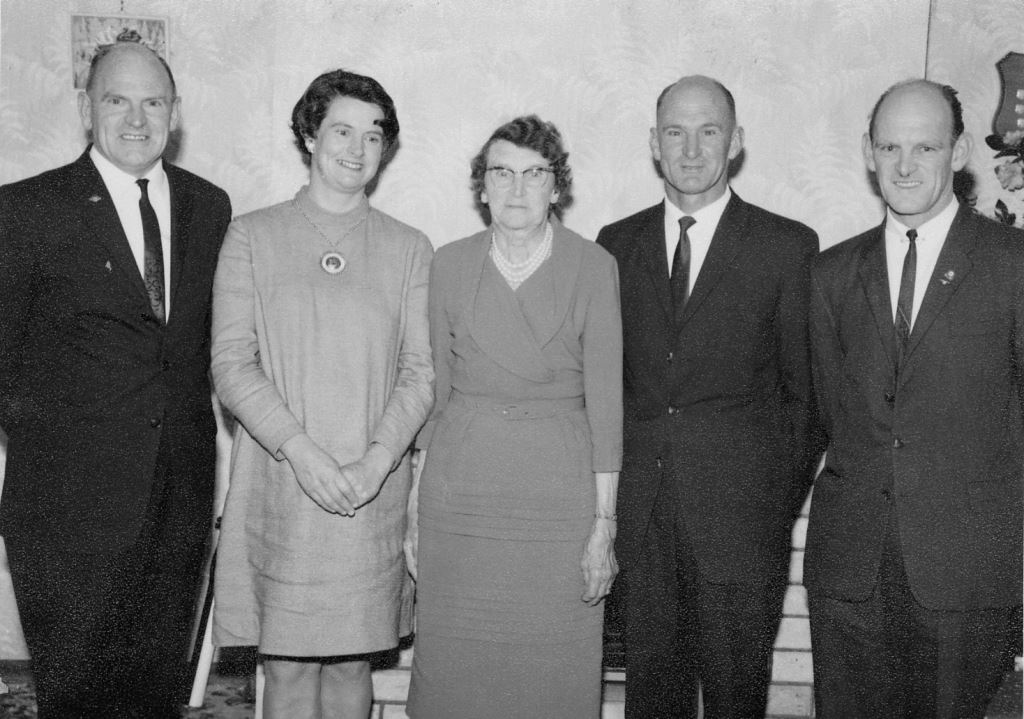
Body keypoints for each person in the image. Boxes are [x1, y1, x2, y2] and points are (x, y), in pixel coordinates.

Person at [0, 39, 231, 718]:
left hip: (179, 505)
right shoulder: (25, 211)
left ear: (175, 112)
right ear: (84, 107)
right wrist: (70, 448)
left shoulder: (208, 207)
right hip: (67, 515)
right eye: (117, 99)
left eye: (153, 101)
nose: (137, 118)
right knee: (79, 700)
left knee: (155, 696)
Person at [210, 69, 433, 719]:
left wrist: (374, 463)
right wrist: (301, 451)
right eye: (342, 130)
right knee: (285, 669)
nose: (357, 148)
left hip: (369, 495)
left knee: (348, 668)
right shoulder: (251, 236)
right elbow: (231, 364)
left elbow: (420, 373)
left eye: (374, 135)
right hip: (282, 486)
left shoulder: (409, 249)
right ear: (309, 134)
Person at [596, 75, 820, 718]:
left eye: (709, 131)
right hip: (642, 523)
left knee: (733, 698)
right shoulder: (616, 243)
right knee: (652, 700)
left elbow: (805, 400)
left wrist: (770, 503)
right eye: (675, 132)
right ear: (654, 144)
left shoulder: (786, 246)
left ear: (737, 141)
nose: (691, 149)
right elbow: (609, 385)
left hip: (741, 526)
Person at [806, 79, 1023, 718]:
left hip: (968, 570)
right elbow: (826, 412)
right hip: (850, 572)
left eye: (924, 148)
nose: (905, 166)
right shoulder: (832, 274)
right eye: (890, 147)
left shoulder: (1012, 265)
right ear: (868, 153)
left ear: (957, 153)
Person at [405, 115, 622, 718]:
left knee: (553, 669)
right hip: (460, 492)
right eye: (502, 172)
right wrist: (414, 511)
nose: (517, 189)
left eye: (534, 174)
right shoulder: (448, 264)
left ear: (557, 186)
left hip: (557, 497)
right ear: (481, 186)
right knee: (454, 671)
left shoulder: (594, 266)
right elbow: (435, 401)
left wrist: (604, 526)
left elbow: (607, 409)